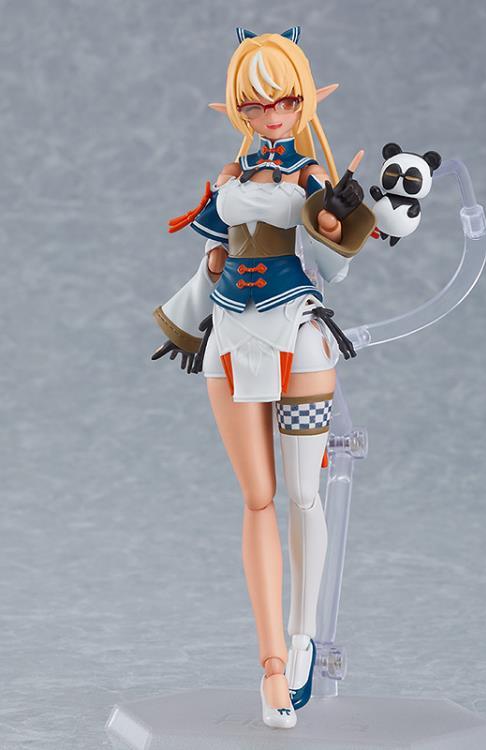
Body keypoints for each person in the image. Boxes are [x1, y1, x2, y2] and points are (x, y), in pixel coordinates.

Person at [152, 26, 375, 729]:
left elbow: (334, 268)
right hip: (229, 336)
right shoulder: (230, 176)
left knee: (304, 494)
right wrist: (189, 309)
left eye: (285, 101)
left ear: (304, 101)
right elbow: (213, 253)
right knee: (257, 500)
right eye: (256, 103)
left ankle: (303, 638)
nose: (272, 114)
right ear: (238, 108)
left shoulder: (311, 177)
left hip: (299, 338)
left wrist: (334, 228)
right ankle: (272, 666)